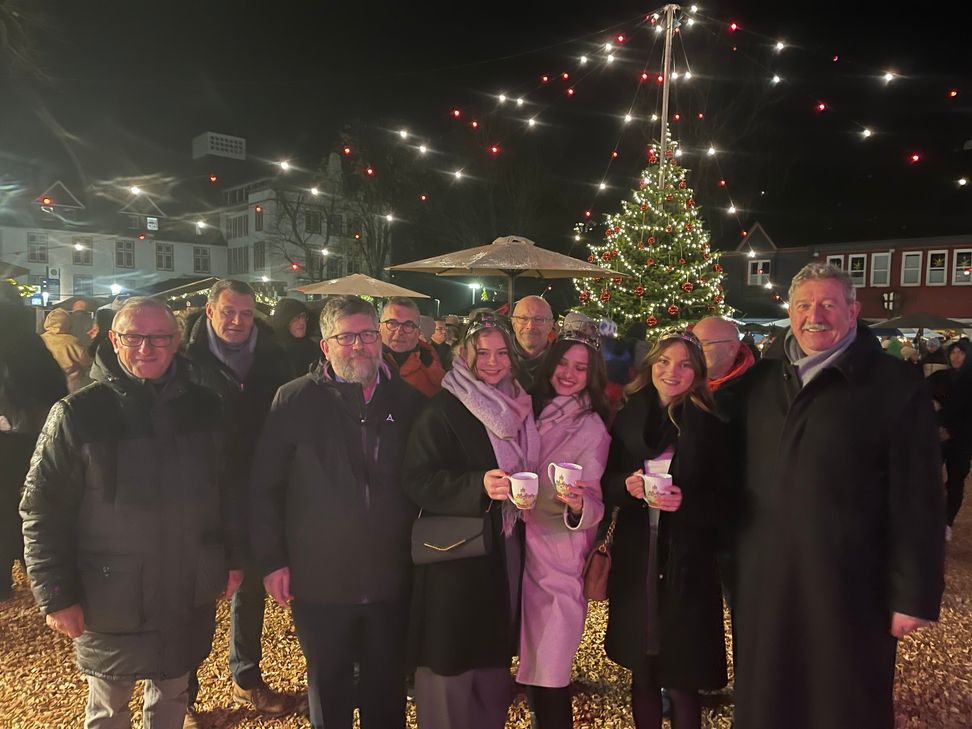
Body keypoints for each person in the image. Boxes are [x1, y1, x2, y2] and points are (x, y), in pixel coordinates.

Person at [731, 263, 945, 729]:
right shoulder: (759, 384)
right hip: (767, 579)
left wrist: (913, 592)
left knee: (843, 700)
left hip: (851, 585)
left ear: (853, 310)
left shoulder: (894, 386)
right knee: (768, 697)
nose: (815, 316)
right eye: (804, 305)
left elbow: (919, 498)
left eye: (828, 304)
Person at [20, 297, 243, 729]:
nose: (148, 347)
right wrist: (55, 593)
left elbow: (227, 492)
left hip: (186, 580)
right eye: (135, 337)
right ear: (114, 340)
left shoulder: (204, 406)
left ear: (177, 341)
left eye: (160, 337)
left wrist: (231, 559)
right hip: (109, 590)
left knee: (173, 693)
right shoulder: (78, 413)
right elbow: (42, 509)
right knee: (108, 704)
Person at [250, 295, 425, 729]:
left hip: (390, 575)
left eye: (368, 334)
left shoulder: (408, 401)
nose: (359, 346)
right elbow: (265, 487)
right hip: (320, 577)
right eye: (346, 337)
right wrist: (273, 561)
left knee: (386, 687)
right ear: (325, 346)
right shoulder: (294, 400)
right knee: (329, 688)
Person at [403, 310, 539, 729]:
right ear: (464, 355)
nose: (493, 362)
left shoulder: (519, 404)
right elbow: (416, 478)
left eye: (501, 353)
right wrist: (478, 484)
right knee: (450, 656)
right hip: (455, 557)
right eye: (482, 353)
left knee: (491, 657)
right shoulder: (444, 408)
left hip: (504, 548)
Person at [603, 330, 729, 729]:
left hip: (685, 563)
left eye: (684, 364)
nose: (672, 372)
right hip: (638, 556)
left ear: (697, 372)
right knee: (643, 673)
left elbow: (730, 498)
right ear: (650, 365)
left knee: (681, 676)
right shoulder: (628, 415)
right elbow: (606, 480)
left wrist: (686, 502)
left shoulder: (711, 424)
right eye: (663, 362)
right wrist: (625, 485)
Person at [182, 279, 294, 722]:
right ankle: (182, 693)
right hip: (200, 491)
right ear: (210, 311)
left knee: (250, 589)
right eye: (228, 311)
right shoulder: (185, 359)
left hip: (255, 488)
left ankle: (246, 676)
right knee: (194, 592)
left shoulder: (273, 357)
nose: (236, 321)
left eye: (245, 313)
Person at [517, 313, 610, 729]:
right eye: (563, 363)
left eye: (581, 368)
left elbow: (595, 500)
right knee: (524, 667)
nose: (569, 374)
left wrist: (577, 504)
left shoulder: (592, 427)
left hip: (557, 559)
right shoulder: (525, 408)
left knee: (550, 669)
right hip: (514, 546)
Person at [0, 283, 67, 599]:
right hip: (34, 436)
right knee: (31, 505)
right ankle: (35, 569)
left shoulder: (19, 350)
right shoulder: (34, 349)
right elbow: (57, 389)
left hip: (16, 434)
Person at [929, 340, 972, 540]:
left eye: (960, 353)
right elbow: (920, 391)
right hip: (938, 437)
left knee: (955, 482)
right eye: (953, 352)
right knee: (928, 478)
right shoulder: (940, 376)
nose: (956, 356)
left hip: (961, 440)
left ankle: (947, 521)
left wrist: (949, 427)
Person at [380, 297, 445, 397]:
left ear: (418, 332)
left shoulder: (431, 364)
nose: (399, 331)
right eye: (392, 323)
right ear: (379, 327)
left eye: (408, 325)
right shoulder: (362, 361)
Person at [692, 316, 755, 393]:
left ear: (731, 348)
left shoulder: (754, 390)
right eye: (692, 343)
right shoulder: (685, 382)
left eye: (703, 344)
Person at [41, 307, 93, 393]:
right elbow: (86, 361)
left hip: (46, 387)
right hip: (70, 388)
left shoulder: (40, 340)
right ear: (67, 323)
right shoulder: (71, 341)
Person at [510, 295, 555, 387]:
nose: (530, 326)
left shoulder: (562, 360)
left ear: (550, 325)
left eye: (538, 319)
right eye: (523, 319)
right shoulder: (497, 358)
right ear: (513, 324)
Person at [271, 297, 319, 378]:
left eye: (303, 316)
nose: (302, 322)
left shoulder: (313, 347)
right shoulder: (272, 351)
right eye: (296, 318)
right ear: (284, 320)